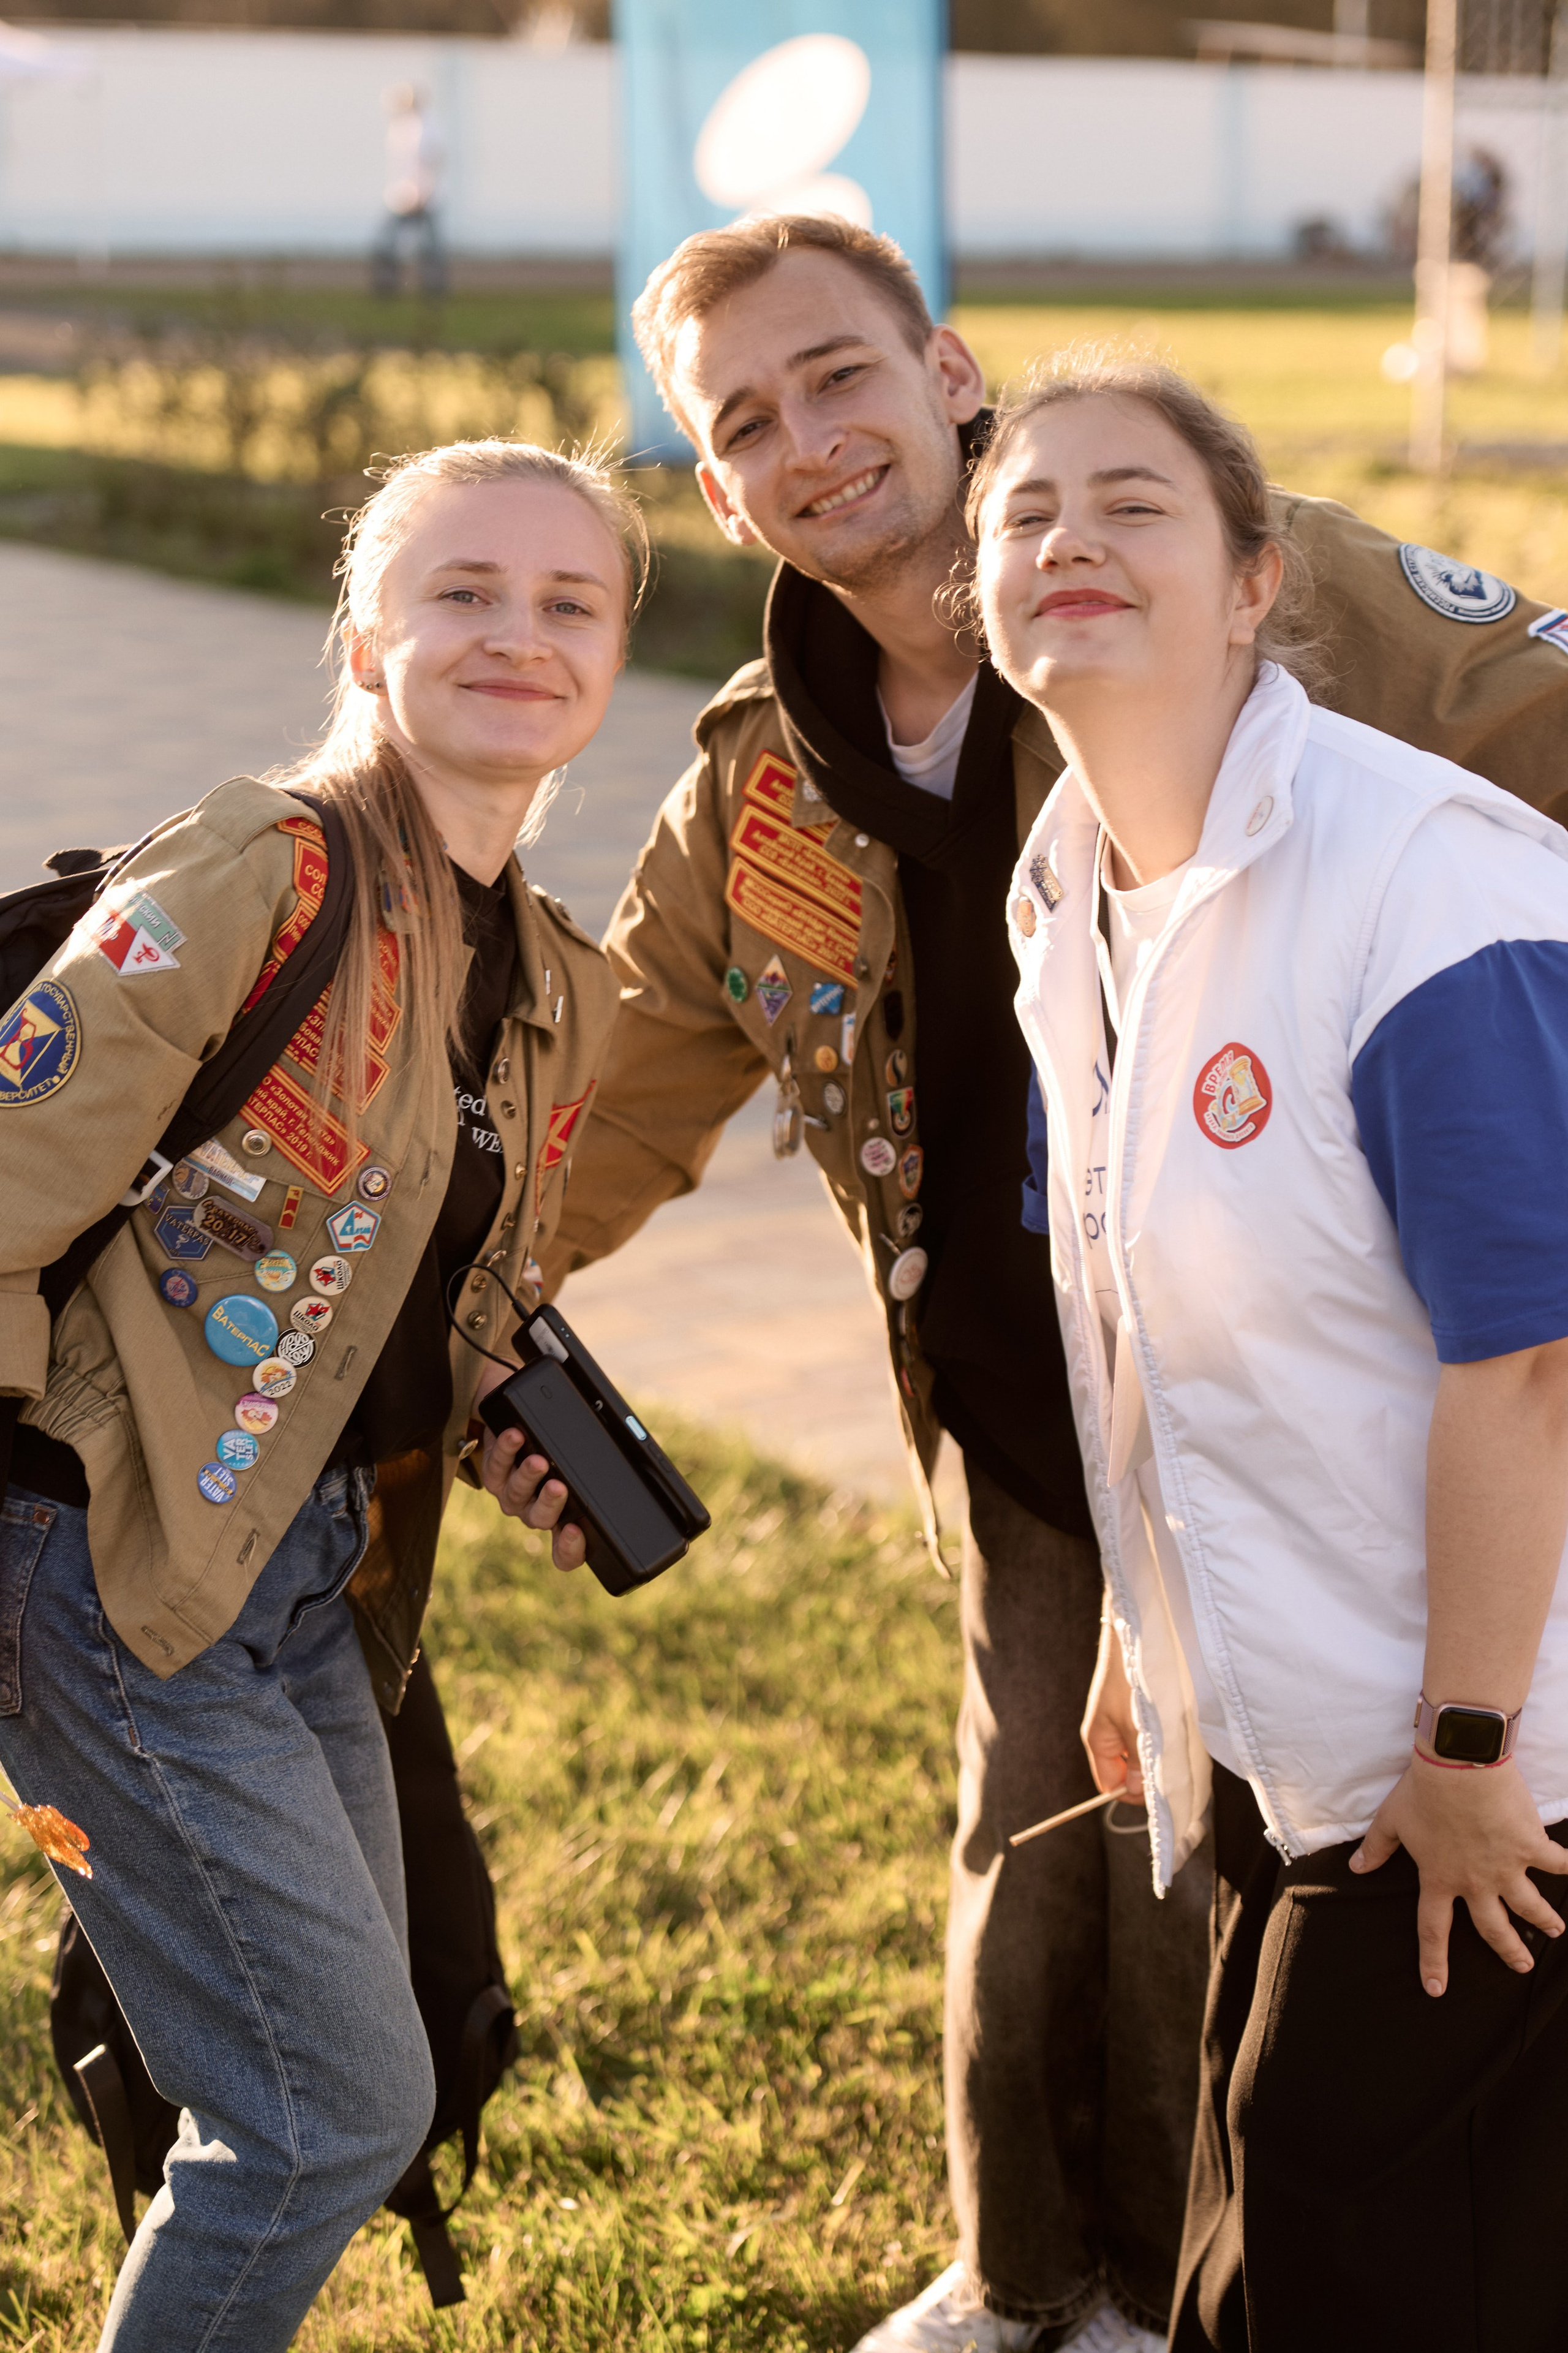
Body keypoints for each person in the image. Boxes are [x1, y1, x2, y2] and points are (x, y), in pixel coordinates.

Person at [537, 212, 1568, 2353]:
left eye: (841, 374)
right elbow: (614, 1099)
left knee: (1291, 1845)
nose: (813, 438)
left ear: (947, 367)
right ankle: (1041, 2274)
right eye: (748, 423)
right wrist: (428, 1296)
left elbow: (1538, 720)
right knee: (1053, 1820)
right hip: (1039, 1403)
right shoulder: (757, 783)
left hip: (1326, 1375)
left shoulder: (1208, 576)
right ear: (719, 492)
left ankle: (1223, 2248)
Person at [0, 436, 641, 2348]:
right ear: (365, 638)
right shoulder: (255, 873)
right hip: (114, 1572)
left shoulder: (547, 970)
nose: (514, 631)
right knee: (320, 2115)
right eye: (460, 590)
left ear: (614, 658)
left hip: (313, 1587)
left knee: (346, 2084)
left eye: (567, 601)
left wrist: (507, 1411)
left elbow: (407, 1267)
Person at [977, 353, 1568, 2352]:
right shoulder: (1071, 897)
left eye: (1133, 504)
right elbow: (1141, 1305)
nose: (1068, 538)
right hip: (1297, 1749)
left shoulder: (1425, 885)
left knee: (1332, 2279)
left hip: (1493, 1789)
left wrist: (1474, 1759)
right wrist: (1160, 1652)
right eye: (1025, 513)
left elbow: (1534, 1359)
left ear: (1254, 586)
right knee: (1280, 2242)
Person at [371, 83, 446, 300]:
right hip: (403, 196)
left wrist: (421, 192)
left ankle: (433, 290)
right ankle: (389, 287)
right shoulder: (403, 126)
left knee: (426, 247)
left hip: (420, 197)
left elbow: (429, 162)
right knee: (399, 245)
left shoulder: (424, 127)